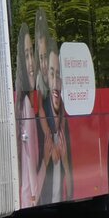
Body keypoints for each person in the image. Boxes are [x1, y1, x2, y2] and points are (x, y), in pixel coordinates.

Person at [16, 22, 46, 206]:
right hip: (29, 199)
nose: (31, 63)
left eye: (31, 54)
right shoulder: (26, 105)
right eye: (26, 55)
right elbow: (30, 163)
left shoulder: (22, 102)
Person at [41, 45, 73, 203]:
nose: (55, 80)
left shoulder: (63, 131)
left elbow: (70, 193)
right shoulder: (44, 133)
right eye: (51, 73)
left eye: (58, 75)